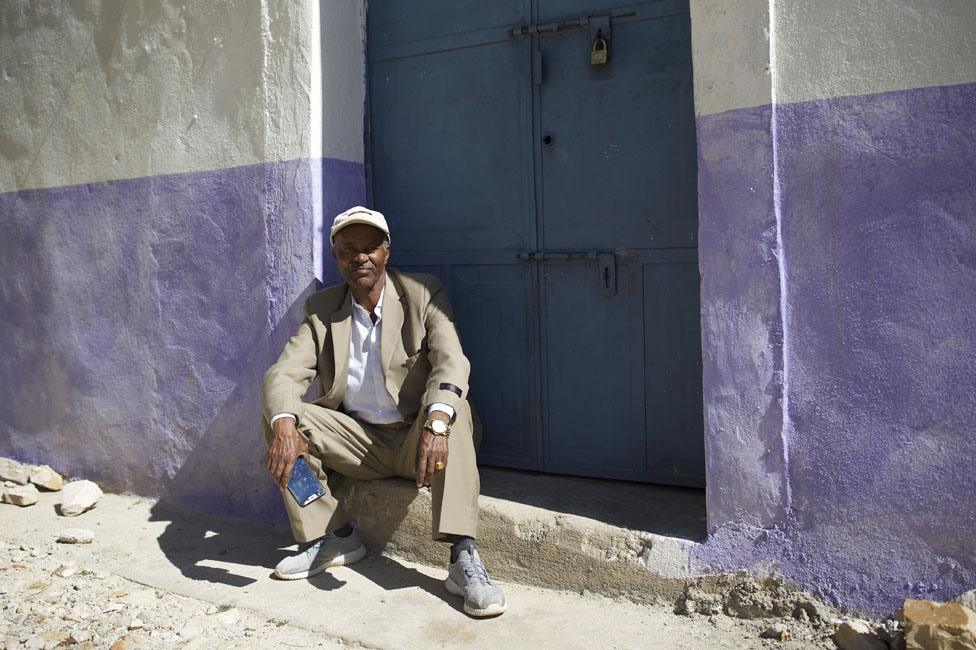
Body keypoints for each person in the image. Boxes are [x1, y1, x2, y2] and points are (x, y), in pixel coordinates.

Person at [261, 206, 506, 617]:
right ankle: (331, 536)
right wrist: (284, 424)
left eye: (370, 247)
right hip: (361, 443)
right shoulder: (322, 309)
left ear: (386, 252)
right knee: (282, 416)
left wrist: (436, 420)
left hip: (419, 437)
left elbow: (451, 360)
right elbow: (284, 373)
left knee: (454, 408)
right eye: (348, 249)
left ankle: (463, 557)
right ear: (337, 258)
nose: (360, 257)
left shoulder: (422, 292)